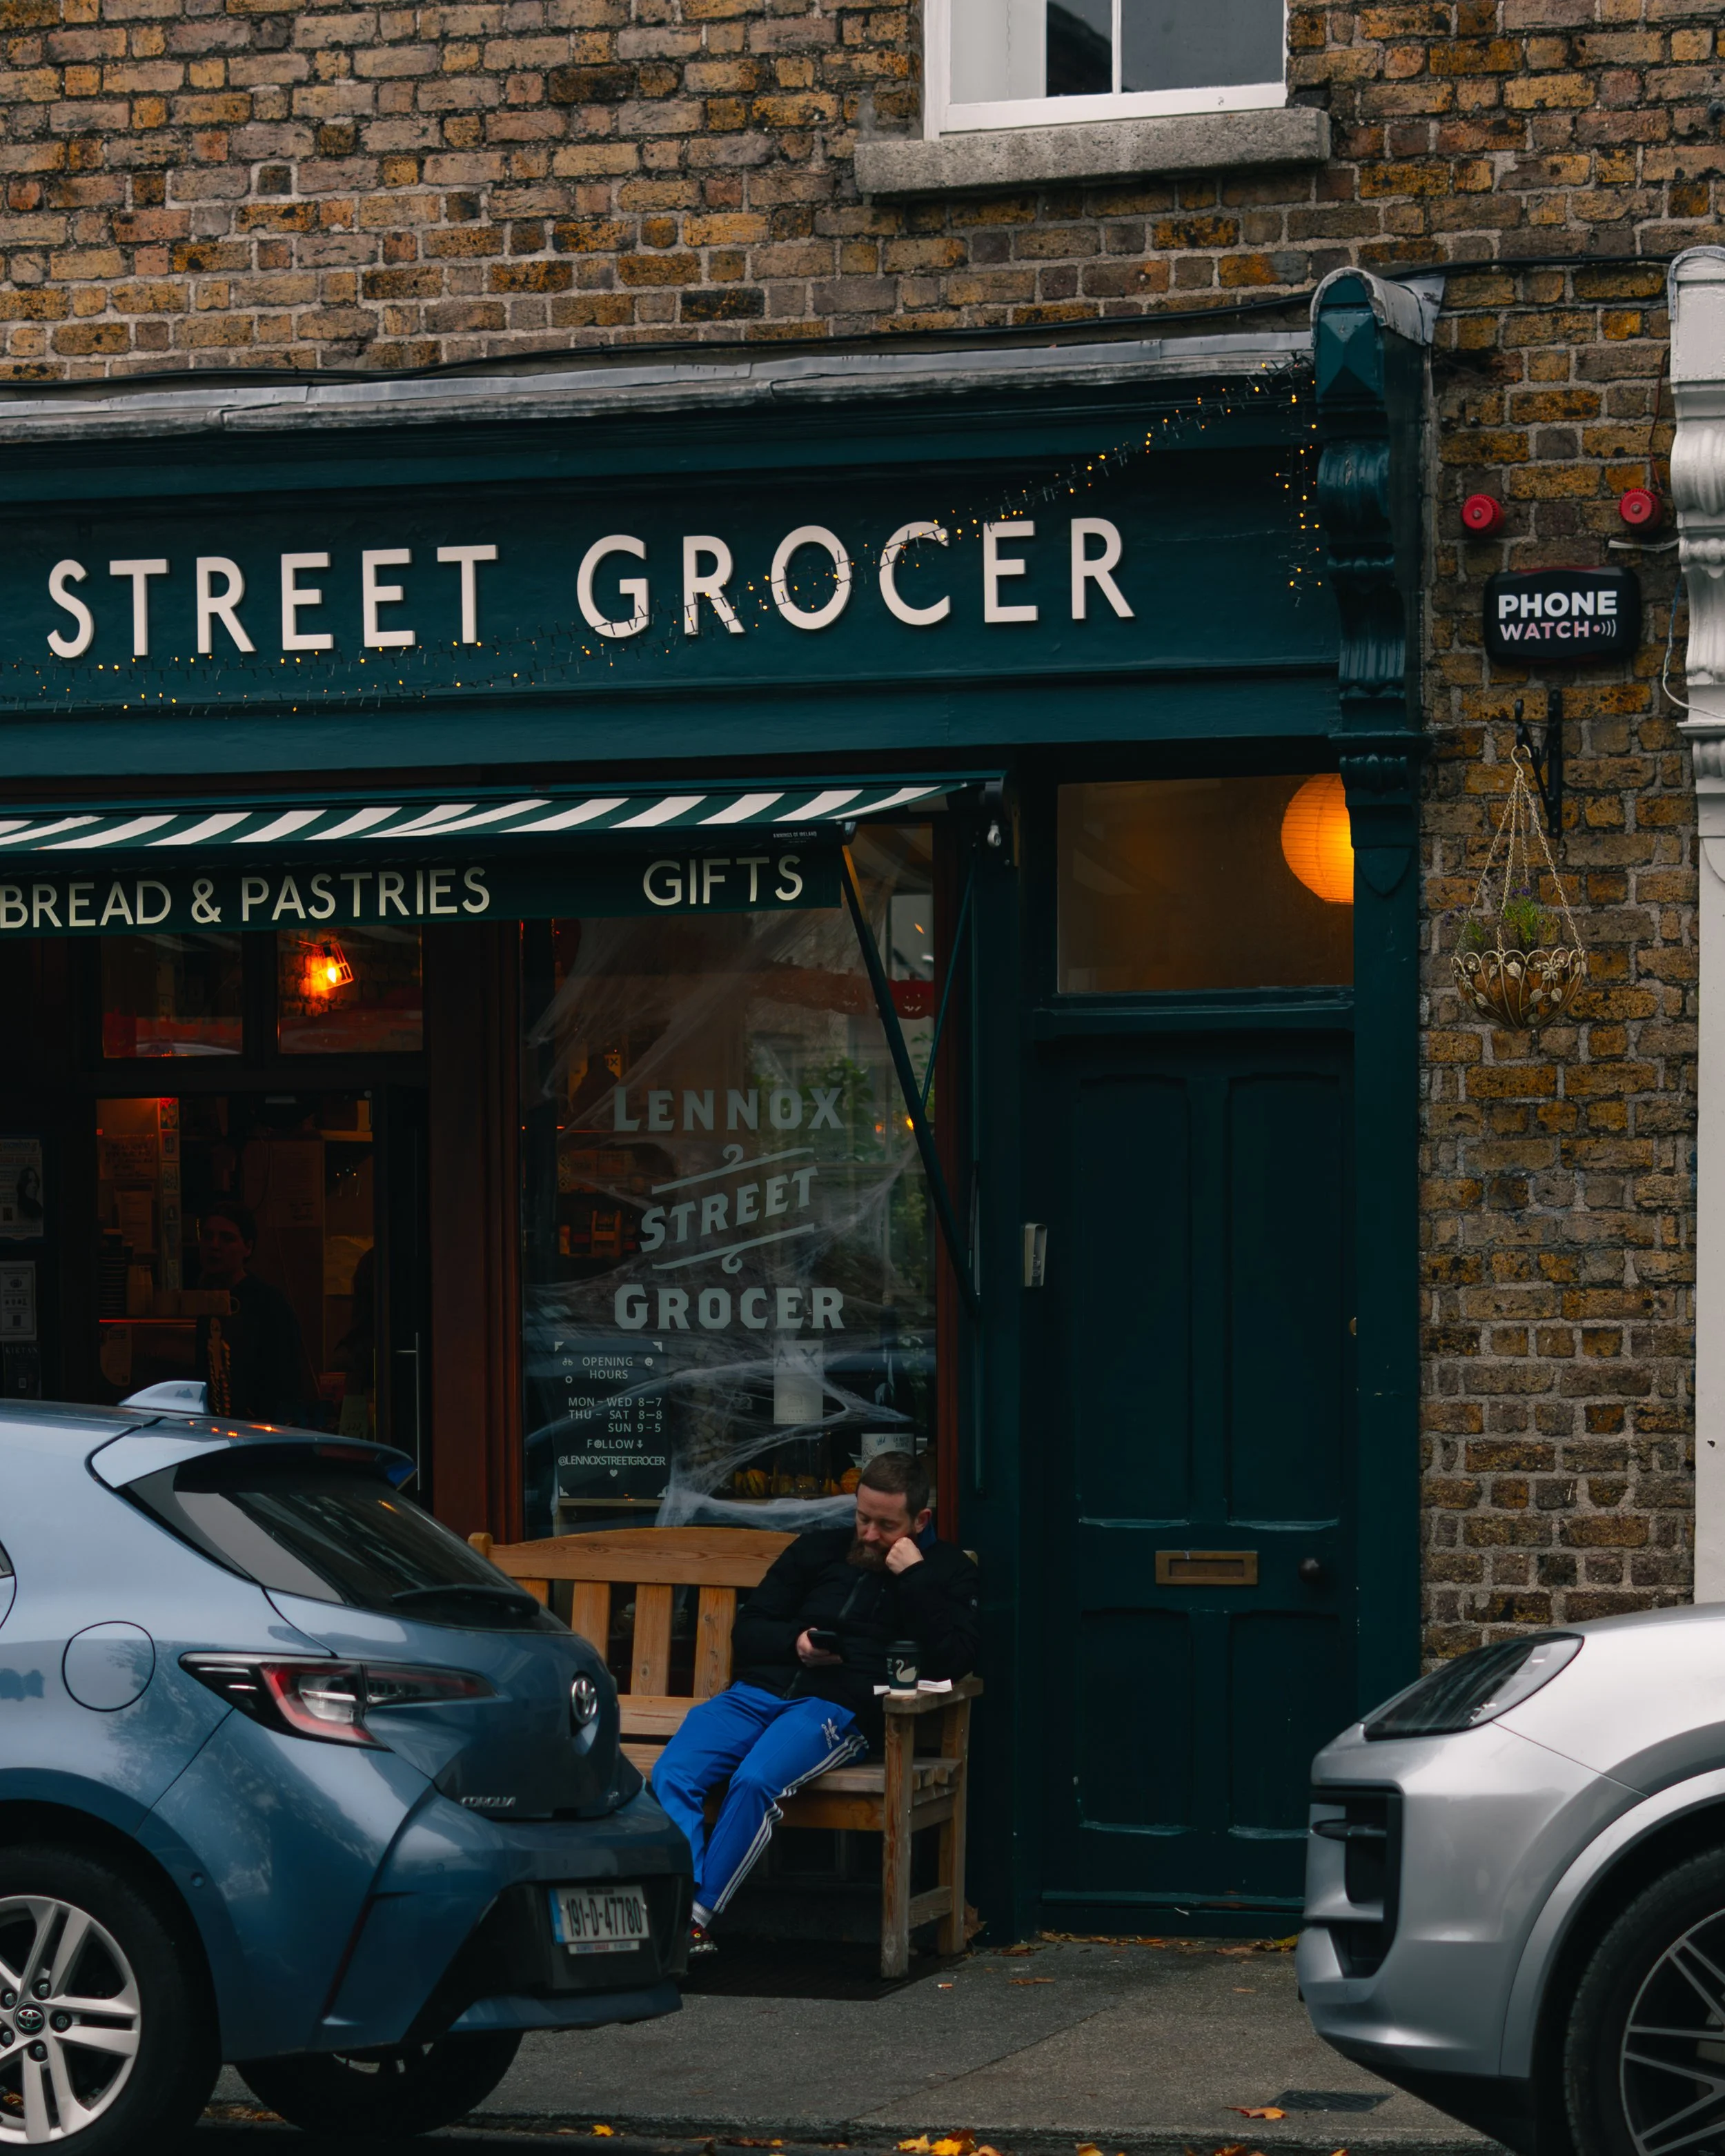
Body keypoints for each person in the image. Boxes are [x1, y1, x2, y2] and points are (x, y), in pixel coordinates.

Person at [651, 1450, 978, 1948]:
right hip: (755, 1693)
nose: (869, 1534)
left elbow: (951, 1659)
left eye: (887, 1525)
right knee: (674, 1770)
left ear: (921, 1519)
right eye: (862, 1517)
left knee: (756, 1780)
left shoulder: (946, 1570)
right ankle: (674, 1910)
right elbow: (750, 1627)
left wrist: (914, 1577)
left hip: (835, 1708)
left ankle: (692, 1920)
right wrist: (797, 1643)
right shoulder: (817, 1549)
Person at [195, 1204, 314, 1425]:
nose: (214, 1246)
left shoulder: (267, 1303)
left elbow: (286, 1375)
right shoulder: (197, 1300)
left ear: (247, 1248)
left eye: (227, 1238)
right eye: (208, 1236)